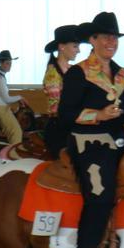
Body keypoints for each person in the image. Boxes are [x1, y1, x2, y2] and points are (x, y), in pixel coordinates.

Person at [58, 11, 124, 248]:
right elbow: (65, 115)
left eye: (115, 37)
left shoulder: (121, 74)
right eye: (106, 37)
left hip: (119, 142)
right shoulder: (79, 74)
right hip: (87, 144)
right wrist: (97, 115)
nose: (111, 42)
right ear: (93, 39)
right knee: (99, 197)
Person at [43, 25, 82, 158]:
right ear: (61, 47)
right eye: (75, 46)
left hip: (72, 123)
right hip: (60, 128)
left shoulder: (73, 70)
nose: (79, 51)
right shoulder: (53, 74)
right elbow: (57, 108)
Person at [0, 50, 28, 146]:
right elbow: (7, 99)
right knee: (17, 132)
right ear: (1, 63)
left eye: (10, 63)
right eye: (7, 63)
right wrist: (20, 97)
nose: (9, 65)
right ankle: (13, 154)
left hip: (0, 106)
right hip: (0, 107)